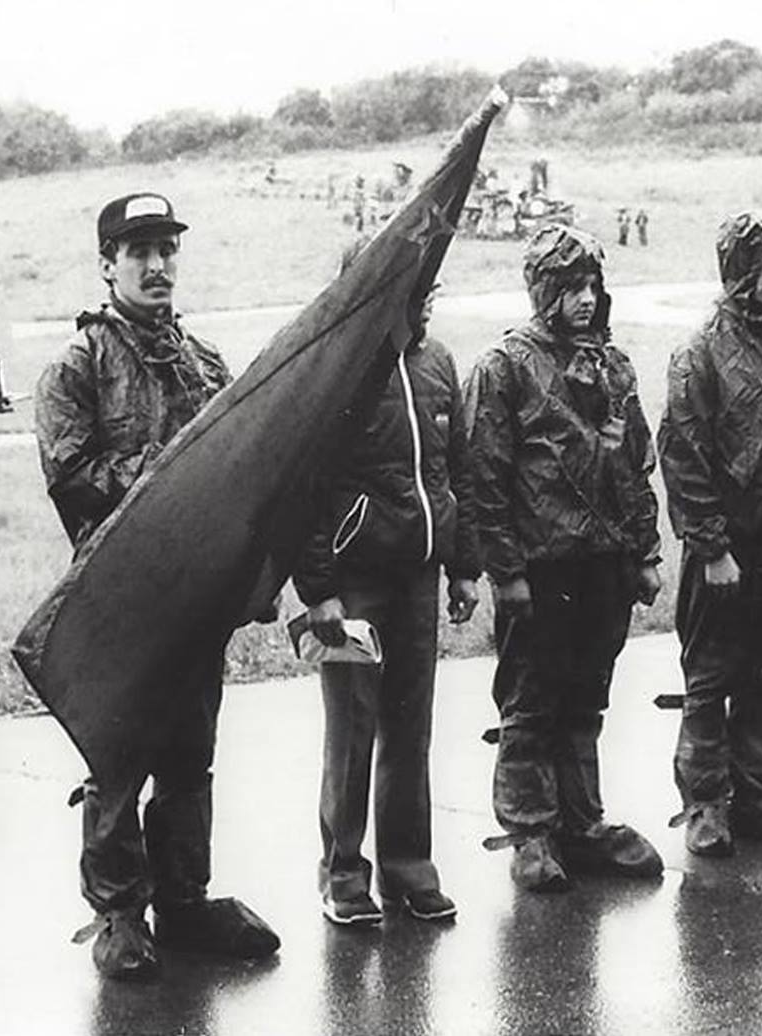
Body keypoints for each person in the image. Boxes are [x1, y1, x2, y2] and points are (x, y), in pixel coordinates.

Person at [34, 192, 279, 980]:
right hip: (119, 600)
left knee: (189, 756)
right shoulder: (77, 365)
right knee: (118, 759)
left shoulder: (206, 363)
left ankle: (183, 901)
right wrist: (170, 475)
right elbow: (72, 475)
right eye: (139, 251)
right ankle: (118, 913)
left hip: (197, 598)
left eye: (167, 249)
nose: (157, 265)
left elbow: (248, 466)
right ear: (107, 264)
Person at [465, 224, 665, 892]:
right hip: (541, 567)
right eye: (571, 286)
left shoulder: (613, 365)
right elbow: (484, 477)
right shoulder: (504, 368)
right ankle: (530, 830)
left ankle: (582, 822)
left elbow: (634, 464)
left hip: (603, 564)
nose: (585, 299)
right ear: (544, 290)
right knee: (531, 700)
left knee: (586, 697)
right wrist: (506, 571)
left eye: (592, 285)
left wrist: (644, 552)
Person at [294, 271, 481, 927]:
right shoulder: (341, 373)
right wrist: (319, 591)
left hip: (418, 578)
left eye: (427, 290)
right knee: (352, 731)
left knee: (410, 727)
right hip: (355, 584)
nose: (419, 303)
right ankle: (343, 874)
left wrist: (464, 566)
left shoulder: (438, 363)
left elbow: (456, 469)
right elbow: (306, 488)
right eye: (406, 289)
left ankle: (408, 869)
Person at [657, 211, 762, 856]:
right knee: (709, 679)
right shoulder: (698, 351)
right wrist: (711, 546)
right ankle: (705, 801)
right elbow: (683, 452)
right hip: (724, 551)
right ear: (737, 269)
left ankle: (756, 793)